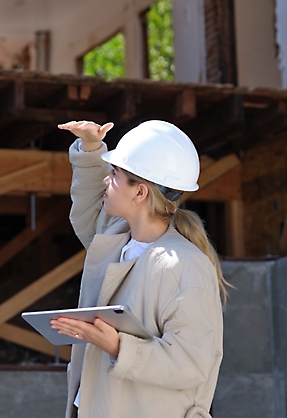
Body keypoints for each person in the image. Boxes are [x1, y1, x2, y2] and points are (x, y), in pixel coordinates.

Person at [52, 120, 227, 418]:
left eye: (115, 174)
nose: (107, 181)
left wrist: (117, 345)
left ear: (140, 193)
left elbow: (192, 363)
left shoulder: (184, 265)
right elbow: (89, 205)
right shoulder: (116, 236)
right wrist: (91, 148)